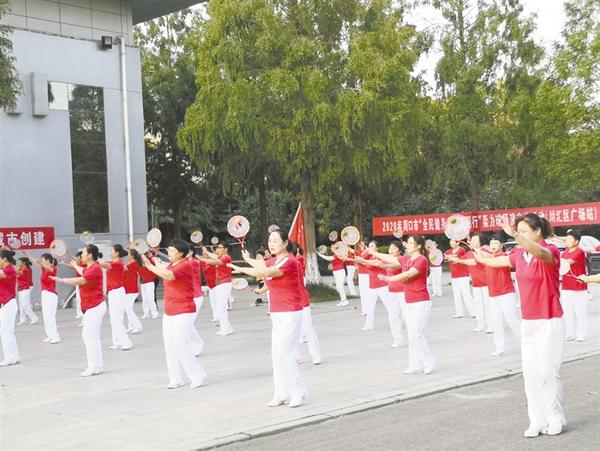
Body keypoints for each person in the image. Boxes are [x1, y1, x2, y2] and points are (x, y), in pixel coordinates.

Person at [475, 214, 565, 437]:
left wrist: (515, 235)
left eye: (524, 231)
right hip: (528, 322)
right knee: (530, 374)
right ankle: (537, 420)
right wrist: (480, 255)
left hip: (549, 319)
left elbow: (539, 252)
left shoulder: (550, 250)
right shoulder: (518, 255)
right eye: (519, 231)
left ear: (537, 231)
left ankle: (555, 418)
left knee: (547, 373)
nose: (520, 236)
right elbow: (496, 262)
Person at [229, 229, 306, 407]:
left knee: (286, 355)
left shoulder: (290, 261)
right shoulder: (274, 260)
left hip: (290, 312)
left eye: (275, 241)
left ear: (285, 243)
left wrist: (241, 268)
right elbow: (261, 265)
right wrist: (247, 258)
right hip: (277, 313)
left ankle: (298, 391)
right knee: (276, 355)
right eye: (270, 241)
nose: (271, 244)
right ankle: (281, 393)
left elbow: (264, 272)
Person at [142, 239, 207, 389]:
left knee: (180, 344)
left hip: (184, 309)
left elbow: (169, 275)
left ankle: (197, 374)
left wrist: (150, 266)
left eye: (172, 251)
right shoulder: (173, 264)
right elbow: (163, 267)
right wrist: (152, 259)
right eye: (169, 250)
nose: (169, 253)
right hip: (170, 310)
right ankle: (175, 378)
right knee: (170, 346)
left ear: (181, 253)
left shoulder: (185, 264)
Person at [379, 235, 435, 374]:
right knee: (411, 334)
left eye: (411, 243)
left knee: (417, 333)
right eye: (408, 243)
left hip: (421, 301)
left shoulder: (421, 260)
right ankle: (415, 365)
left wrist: (389, 279)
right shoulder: (406, 259)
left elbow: (408, 274)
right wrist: (372, 252)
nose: (407, 245)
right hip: (409, 301)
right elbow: (389, 258)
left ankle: (429, 361)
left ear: (418, 246)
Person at [53, 244, 107, 376]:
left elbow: (82, 280)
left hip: (94, 306)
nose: (81, 255)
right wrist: (73, 263)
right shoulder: (90, 267)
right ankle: (97, 366)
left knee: (88, 335)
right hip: (92, 306)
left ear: (90, 255)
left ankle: (93, 366)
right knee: (93, 336)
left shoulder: (95, 268)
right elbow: (82, 271)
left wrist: (62, 280)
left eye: (83, 253)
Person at [480, 235, 520, 356]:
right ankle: (500, 347)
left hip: (506, 292)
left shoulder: (503, 256)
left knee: (511, 319)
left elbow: (489, 257)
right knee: (496, 321)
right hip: (493, 293)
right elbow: (480, 257)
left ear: (501, 245)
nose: (493, 246)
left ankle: (526, 342)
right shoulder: (488, 257)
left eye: (496, 243)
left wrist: (478, 250)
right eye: (491, 243)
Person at [362, 241, 406, 347]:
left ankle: (415, 336)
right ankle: (398, 338)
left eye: (394, 248)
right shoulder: (387, 259)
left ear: (400, 250)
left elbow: (393, 266)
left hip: (403, 292)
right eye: (390, 248)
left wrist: (382, 264)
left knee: (406, 316)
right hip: (391, 291)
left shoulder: (401, 259)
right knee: (393, 315)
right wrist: (359, 259)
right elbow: (376, 264)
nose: (391, 250)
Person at [446, 234, 489, 332]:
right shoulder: (469, 253)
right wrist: (453, 259)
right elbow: (460, 259)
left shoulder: (484, 251)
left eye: (475, 240)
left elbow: (475, 261)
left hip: (486, 283)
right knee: (478, 305)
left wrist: (460, 260)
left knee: (488, 305)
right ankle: (480, 324)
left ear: (480, 241)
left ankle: (491, 325)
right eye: (472, 240)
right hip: (476, 284)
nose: (472, 242)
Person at [100, 244, 132, 351]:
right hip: (112, 292)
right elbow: (104, 264)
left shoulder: (118, 264)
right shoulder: (113, 262)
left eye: (111, 250)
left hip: (117, 292)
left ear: (117, 253)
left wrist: (95, 257)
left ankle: (126, 342)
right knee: (113, 319)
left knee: (117, 318)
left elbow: (104, 265)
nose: (110, 252)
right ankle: (117, 342)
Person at [560, 230, 589, 342]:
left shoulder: (579, 252)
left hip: (579, 287)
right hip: (566, 286)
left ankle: (581, 334)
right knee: (567, 312)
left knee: (580, 312)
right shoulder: (565, 252)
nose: (567, 241)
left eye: (569, 239)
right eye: (566, 239)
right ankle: (569, 333)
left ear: (576, 241)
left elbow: (567, 262)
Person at [199, 243, 234, 335]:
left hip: (224, 283)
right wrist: (206, 252)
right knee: (220, 306)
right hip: (220, 284)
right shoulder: (221, 257)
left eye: (220, 247)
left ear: (226, 249)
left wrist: (200, 258)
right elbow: (214, 256)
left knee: (221, 307)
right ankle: (226, 327)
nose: (218, 249)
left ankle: (226, 328)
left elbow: (215, 262)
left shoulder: (227, 258)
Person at [29, 252, 61, 344]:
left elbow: (48, 268)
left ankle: (55, 337)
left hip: (51, 295)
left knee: (50, 317)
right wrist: (29, 255)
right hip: (45, 294)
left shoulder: (53, 268)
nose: (41, 261)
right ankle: (50, 335)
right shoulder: (43, 268)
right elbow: (37, 262)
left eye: (43, 259)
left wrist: (41, 263)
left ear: (47, 260)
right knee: (46, 317)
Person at [445, 240, 475, 319]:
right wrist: (449, 257)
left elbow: (456, 257)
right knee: (456, 295)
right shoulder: (449, 251)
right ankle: (459, 313)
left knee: (466, 293)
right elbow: (446, 256)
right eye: (450, 242)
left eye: (453, 242)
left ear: (458, 243)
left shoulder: (462, 250)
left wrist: (450, 257)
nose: (451, 243)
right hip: (454, 276)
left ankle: (473, 312)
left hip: (463, 275)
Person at [0, 249, 20, 366]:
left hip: (7, 304)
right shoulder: (6, 268)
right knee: (9, 332)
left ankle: (9, 357)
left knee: (5, 332)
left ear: (4, 259)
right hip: (8, 304)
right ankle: (15, 356)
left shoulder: (9, 269)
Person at [188, 246, 205, 356]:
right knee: (188, 323)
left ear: (191, 252)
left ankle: (198, 344)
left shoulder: (194, 262)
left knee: (189, 323)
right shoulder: (184, 263)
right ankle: (192, 345)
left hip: (196, 296)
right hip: (189, 296)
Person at [123, 249, 143, 334]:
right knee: (127, 308)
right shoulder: (130, 264)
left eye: (128, 254)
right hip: (127, 289)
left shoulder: (134, 264)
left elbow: (122, 267)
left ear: (132, 256)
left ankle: (138, 326)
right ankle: (131, 326)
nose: (127, 255)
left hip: (132, 290)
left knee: (128, 308)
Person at [16, 257, 39, 325]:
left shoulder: (26, 269)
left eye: (19, 262)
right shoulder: (21, 268)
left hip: (26, 288)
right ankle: (22, 319)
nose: (18, 263)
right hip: (21, 288)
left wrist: (11, 269)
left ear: (24, 263)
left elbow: (17, 273)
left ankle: (34, 317)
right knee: (21, 305)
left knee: (25, 305)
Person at [138, 253, 159, 319]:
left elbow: (154, 266)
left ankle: (155, 313)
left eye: (143, 255)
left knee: (150, 298)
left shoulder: (149, 262)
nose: (142, 257)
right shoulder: (138, 263)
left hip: (149, 282)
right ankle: (146, 313)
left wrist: (150, 257)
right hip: (143, 282)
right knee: (144, 299)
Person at [355, 242, 370, 316]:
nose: (360, 245)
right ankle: (364, 310)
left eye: (362, 244)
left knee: (366, 293)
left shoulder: (368, 253)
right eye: (359, 244)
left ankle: (368, 310)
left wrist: (361, 260)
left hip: (367, 274)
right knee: (362, 293)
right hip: (360, 274)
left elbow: (368, 263)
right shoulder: (360, 253)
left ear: (365, 245)